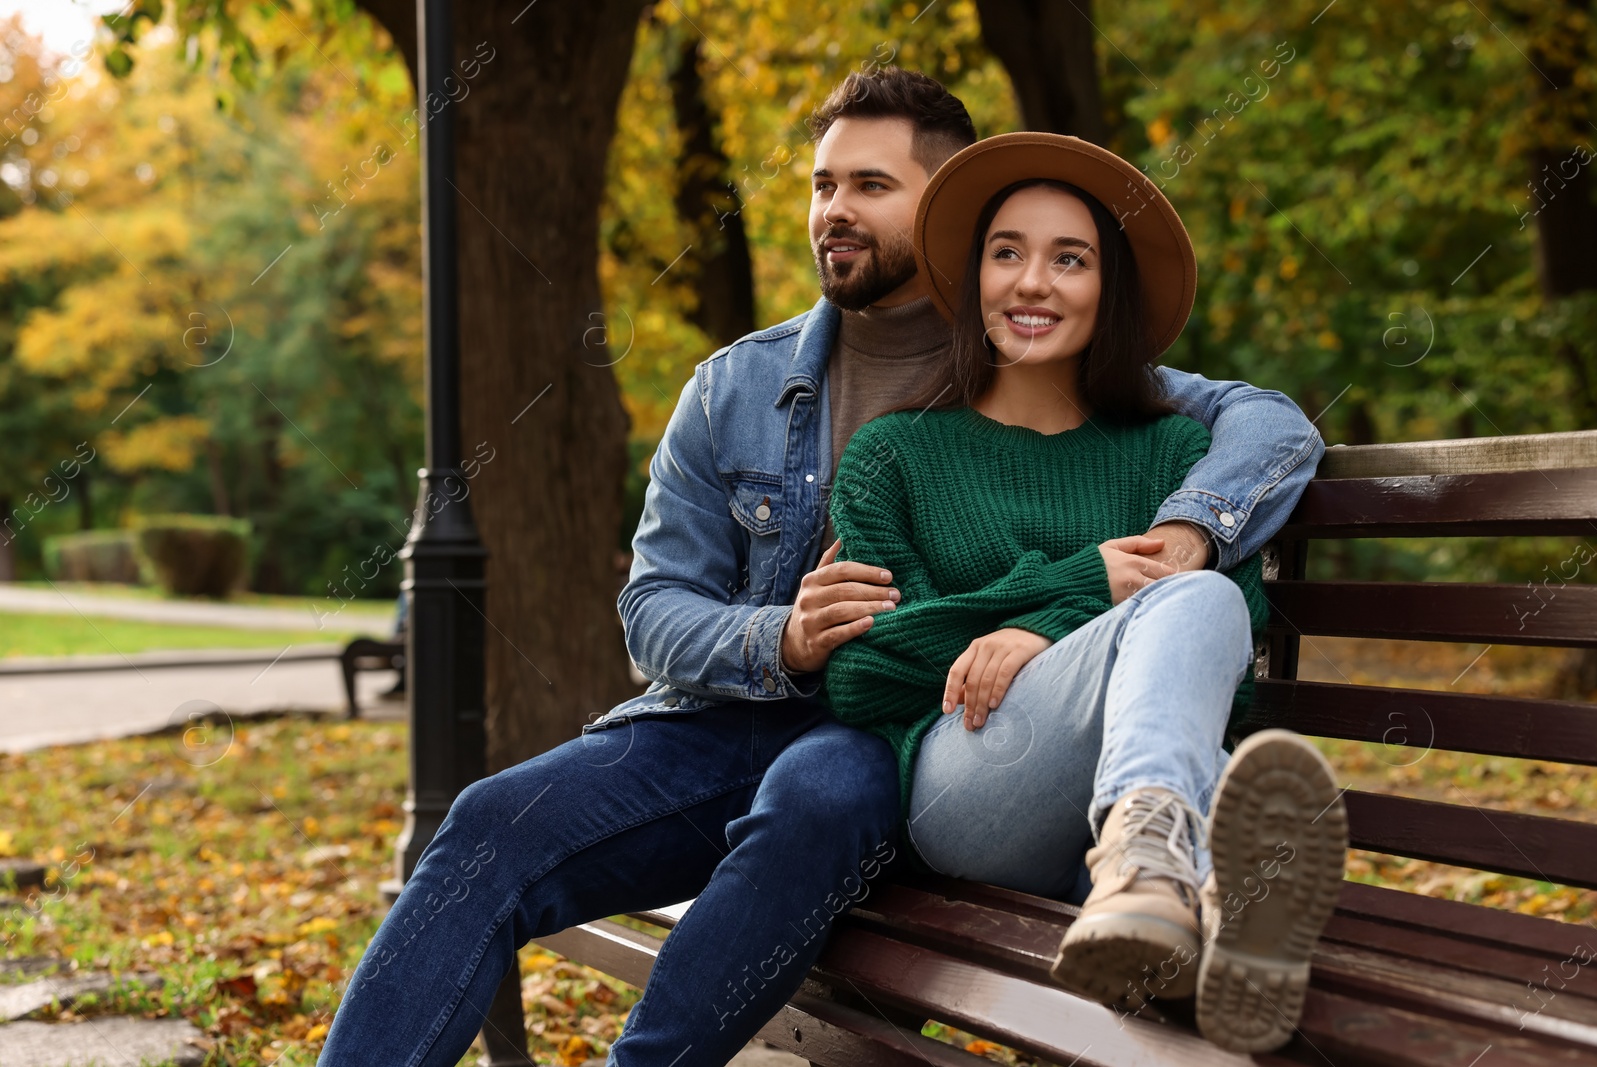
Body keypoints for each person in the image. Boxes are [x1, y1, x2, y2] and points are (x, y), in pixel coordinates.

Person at [318, 68, 1327, 1067]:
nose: (834, 212)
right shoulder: (738, 385)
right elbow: (654, 608)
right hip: (732, 716)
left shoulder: (1022, 339)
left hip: (896, 737)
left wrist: (1191, 527)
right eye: (821, 185)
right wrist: (781, 635)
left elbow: (1264, 421)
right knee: (490, 824)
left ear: (949, 209)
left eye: (870, 187)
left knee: (817, 798)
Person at [821, 131, 1347, 1053]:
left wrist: (1038, 630)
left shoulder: (1171, 456)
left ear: (1109, 290)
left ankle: (1175, 906)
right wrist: (1078, 586)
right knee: (1190, 596)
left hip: (1117, 800)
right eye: (1007, 253)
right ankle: (1190, 865)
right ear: (974, 278)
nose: (1033, 283)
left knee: (1204, 597)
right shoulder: (893, 456)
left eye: (1071, 259)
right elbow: (862, 671)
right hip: (973, 784)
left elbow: (1232, 645)